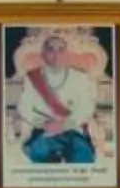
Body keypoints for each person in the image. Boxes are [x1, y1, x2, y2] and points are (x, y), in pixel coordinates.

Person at [13, 31, 99, 166]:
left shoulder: (80, 78)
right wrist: (43, 123)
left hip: (73, 129)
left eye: (61, 50)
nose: (56, 54)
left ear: (67, 54)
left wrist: (65, 124)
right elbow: (24, 106)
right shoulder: (32, 78)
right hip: (44, 130)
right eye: (50, 49)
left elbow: (87, 107)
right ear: (43, 54)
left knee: (83, 158)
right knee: (40, 154)